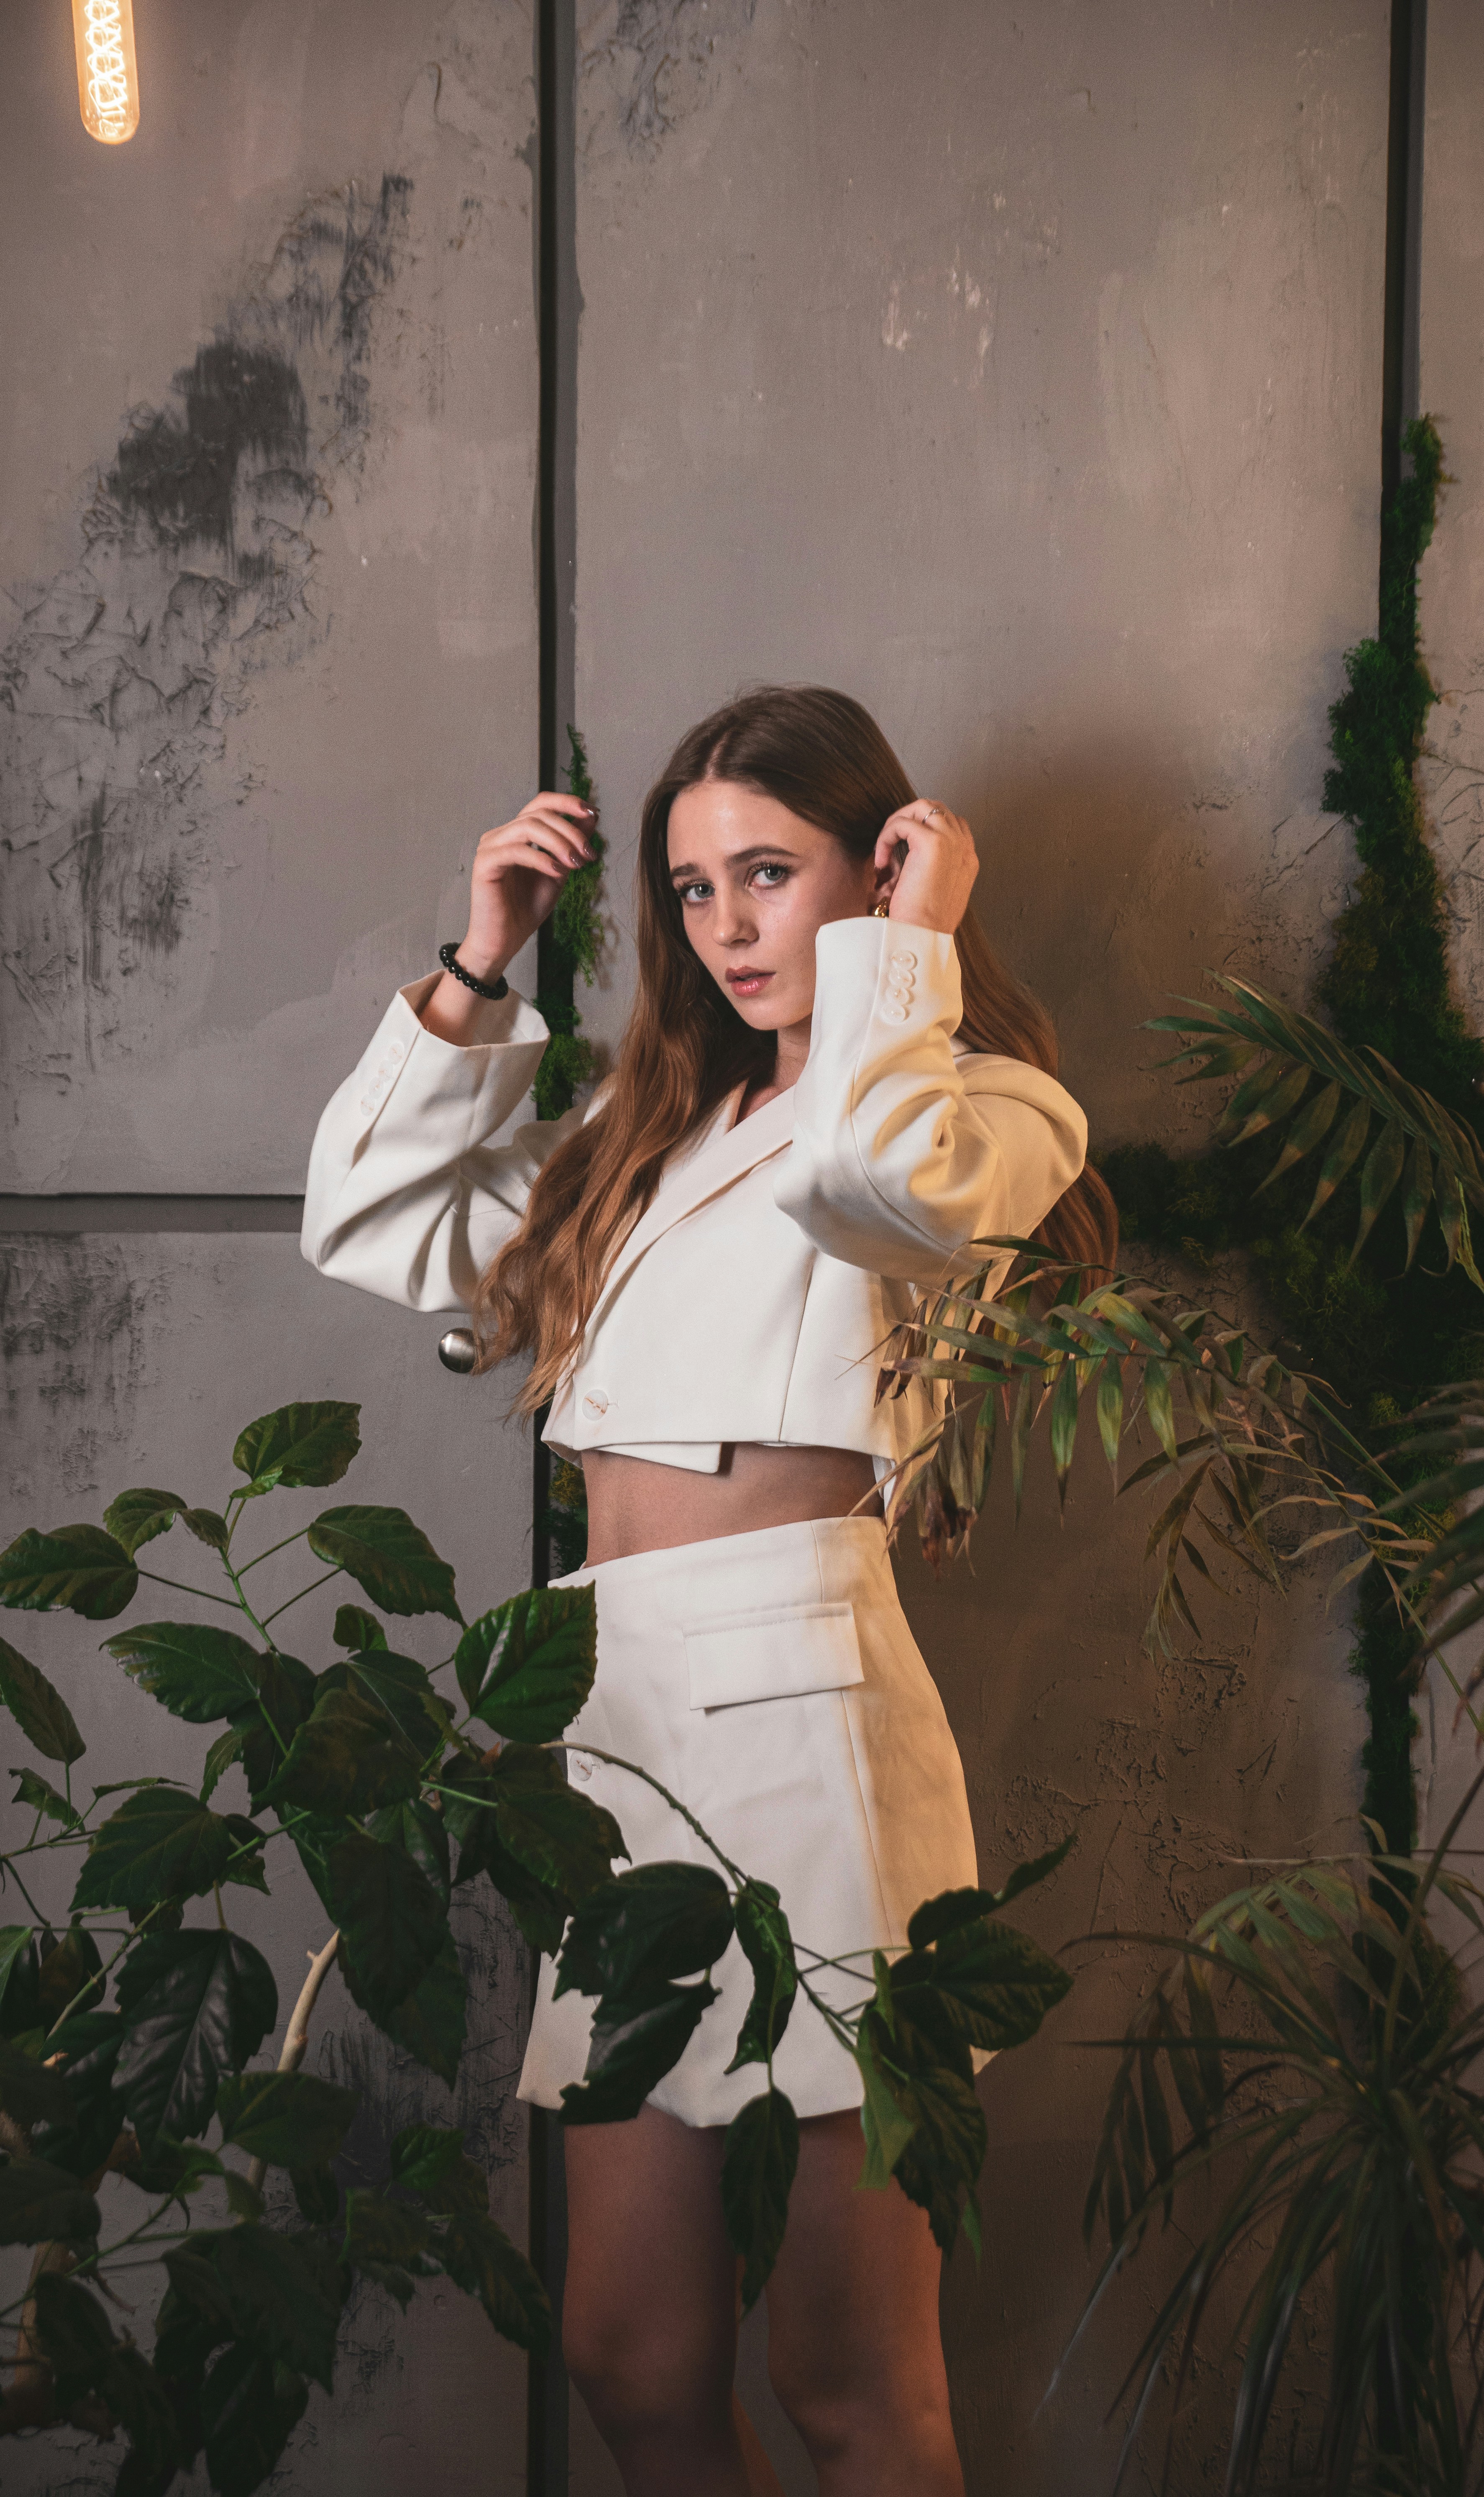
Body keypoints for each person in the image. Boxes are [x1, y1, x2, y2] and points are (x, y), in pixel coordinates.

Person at [302, 685, 1115, 2497]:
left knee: (847, 2368)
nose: (729, 923)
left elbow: (872, 1176)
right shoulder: (645, 1131)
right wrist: (480, 956)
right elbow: (370, 1216)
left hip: (806, 1727)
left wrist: (916, 949)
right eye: (691, 889)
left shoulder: (986, 1102)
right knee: (630, 2349)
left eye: (773, 871)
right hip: (614, 1717)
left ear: (880, 866)